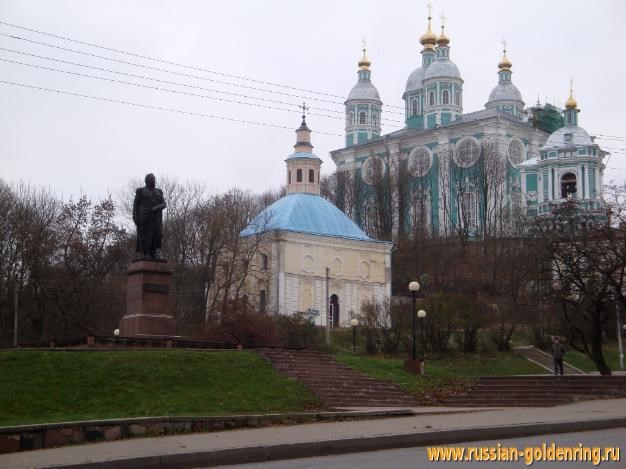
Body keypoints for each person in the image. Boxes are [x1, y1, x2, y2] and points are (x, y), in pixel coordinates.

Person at [133, 173, 166, 260]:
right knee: (146, 235)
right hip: (144, 217)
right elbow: (136, 205)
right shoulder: (141, 191)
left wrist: (157, 207)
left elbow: (164, 204)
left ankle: (153, 252)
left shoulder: (159, 192)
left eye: (154, 179)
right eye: (152, 179)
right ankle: (146, 252)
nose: (154, 181)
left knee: (158, 234)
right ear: (147, 181)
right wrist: (135, 217)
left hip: (156, 217)